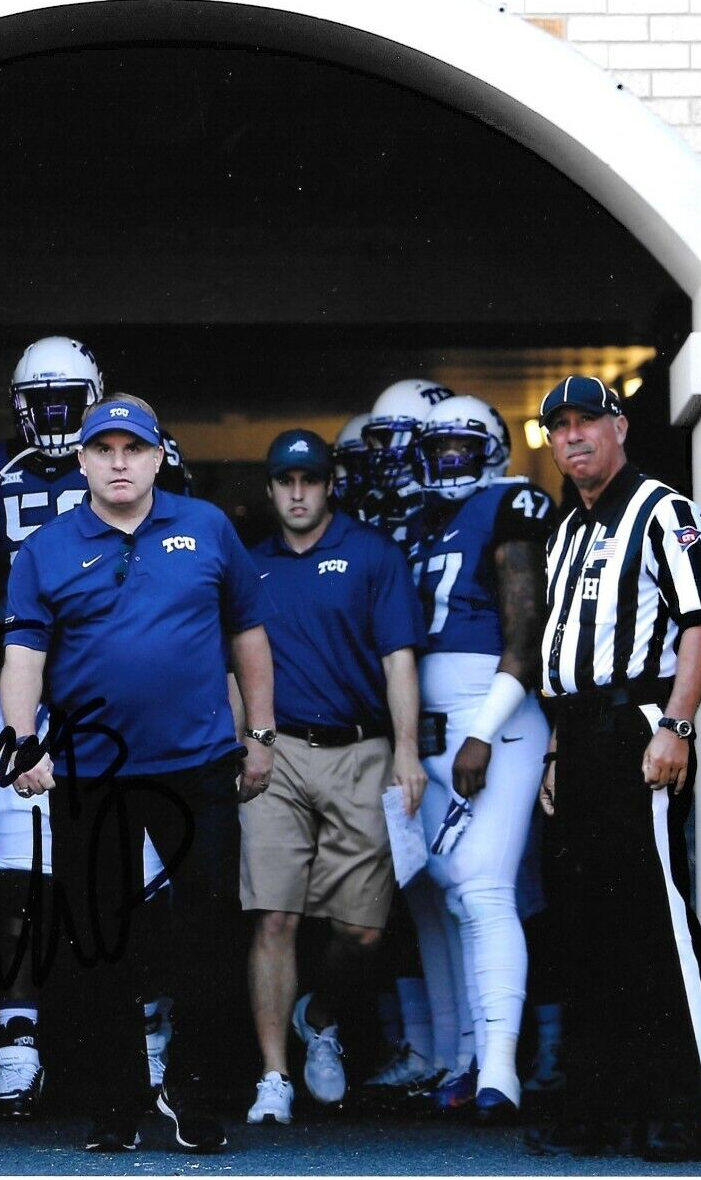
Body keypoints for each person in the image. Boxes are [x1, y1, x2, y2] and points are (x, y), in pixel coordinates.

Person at [0, 394, 274, 1154]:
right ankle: (113, 1106)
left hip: (199, 763)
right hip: (93, 770)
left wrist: (260, 733)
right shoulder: (46, 548)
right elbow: (23, 655)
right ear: (81, 460)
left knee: (211, 931)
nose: (119, 462)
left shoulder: (207, 526)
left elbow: (247, 633)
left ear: (159, 457)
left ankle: (196, 1095)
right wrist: (24, 742)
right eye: (103, 450)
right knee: (98, 940)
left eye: (134, 449)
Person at [0, 336, 172, 1114]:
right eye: (45, 403)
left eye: (73, 401)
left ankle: (149, 1046)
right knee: (19, 880)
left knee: (139, 882)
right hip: (22, 697)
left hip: (123, 700)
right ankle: (18, 1040)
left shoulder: (139, 464)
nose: (59, 420)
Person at [531, 376, 701, 1163]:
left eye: (587, 422)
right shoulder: (566, 527)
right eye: (559, 427)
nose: (573, 437)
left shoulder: (661, 511)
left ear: (619, 426)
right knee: (585, 922)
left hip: (639, 726)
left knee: (654, 916)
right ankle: (601, 1110)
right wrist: (552, 750)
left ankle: (692, 1110)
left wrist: (676, 725)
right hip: (575, 738)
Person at [240, 430, 427, 1125]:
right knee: (275, 916)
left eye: (310, 480)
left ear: (328, 485)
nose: (297, 493)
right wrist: (242, 745)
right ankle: (272, 1077)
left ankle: (318, 1016)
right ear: (269, 489)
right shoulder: (248, 564)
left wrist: (407, 751)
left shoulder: (371, 552)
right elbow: (237, 665)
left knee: (363, 931)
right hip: (277, 751)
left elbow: (397, 660)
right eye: (285, 481)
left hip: (360, 749)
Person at [399, 394, 552, 1124]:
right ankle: (465, 1058)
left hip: (490, 717)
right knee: (448, 892)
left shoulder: (510, 506)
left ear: (490, 449)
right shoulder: (423, 522)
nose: (448, 463)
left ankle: (499, 1072)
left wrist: (484, 729)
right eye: (438, 449)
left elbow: (526, 631)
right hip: (430, 728)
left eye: (462, 448)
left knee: (484, 888)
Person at [355, 379, 456, 541]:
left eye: (388, 439)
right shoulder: (376, 509)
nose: (381, 453)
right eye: (377, 440)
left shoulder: (454, 511)